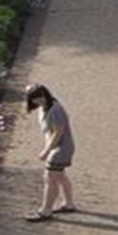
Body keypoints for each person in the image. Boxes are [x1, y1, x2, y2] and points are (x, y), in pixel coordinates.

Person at [23, 82, 77, 218]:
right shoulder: (44, 108)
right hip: (60, 148)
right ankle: (69, 203)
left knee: (50, 178)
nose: (38, 100)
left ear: (45, 94)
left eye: (40, 96)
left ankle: (46, 210)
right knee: (60, 176)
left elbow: (58, 133)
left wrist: (46, 151)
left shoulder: (55, 110)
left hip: (60, 149)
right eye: (34, 98)